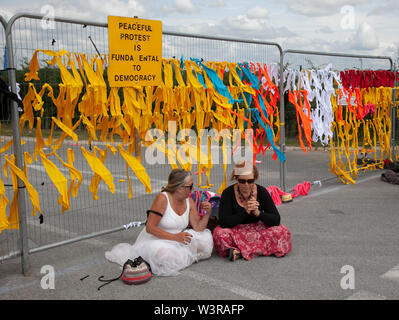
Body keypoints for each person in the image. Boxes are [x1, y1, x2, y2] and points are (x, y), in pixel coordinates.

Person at [105, 169, 214, 276]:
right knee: (163, 254)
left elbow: (198, 228)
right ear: (179, 187)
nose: (192, 189)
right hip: (156, 239)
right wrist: (175, 237)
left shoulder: (189, 201)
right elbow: (150, 228)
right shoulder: (162, 199)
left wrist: (207, 214)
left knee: (206, 239)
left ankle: (185, 257)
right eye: (190, 187)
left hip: (178, 238)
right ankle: (187, 256)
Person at [213, 161, 292, 261]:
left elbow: (276, 220)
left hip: (257, 229)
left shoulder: (262, 191)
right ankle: (259, 249)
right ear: (236, 178)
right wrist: (245, 212)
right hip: (236, 229)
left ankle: (240, 252)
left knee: (282, 232)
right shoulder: (228, 193)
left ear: (254, 179)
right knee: (219, 234)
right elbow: (224, 222)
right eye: (242, 181)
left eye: (250, 181)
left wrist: (258, 213)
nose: (246, 185)